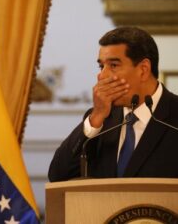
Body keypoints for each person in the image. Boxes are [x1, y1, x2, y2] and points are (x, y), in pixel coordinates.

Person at [48, 26, 178, 182]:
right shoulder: (101, 119)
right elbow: (58, 175)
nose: (102, 76)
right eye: (101, 66)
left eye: (114, 66)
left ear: (143, 69)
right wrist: (95, 118)